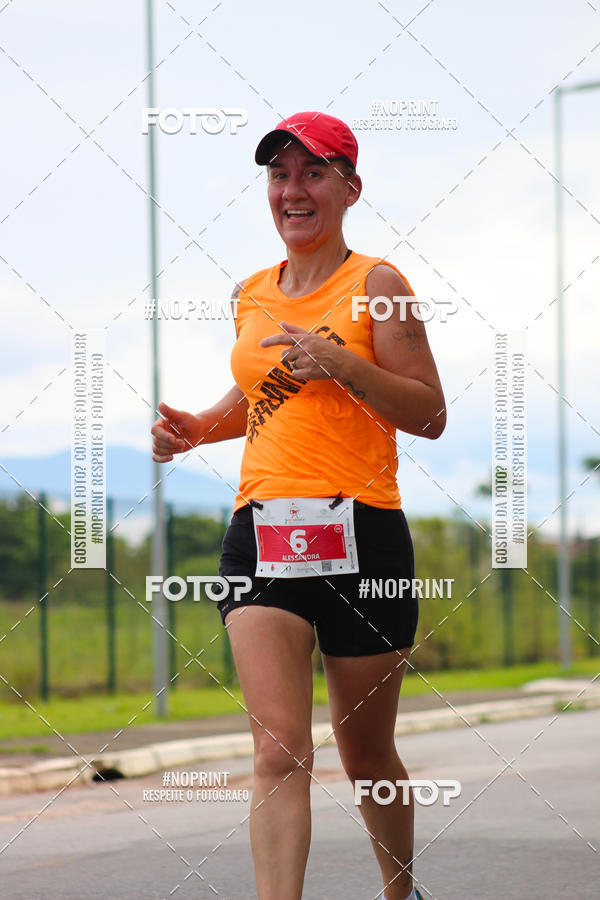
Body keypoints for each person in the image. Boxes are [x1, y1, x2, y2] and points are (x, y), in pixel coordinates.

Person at [151, 111, 446, 900]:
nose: (294, 189)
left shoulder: (379, 286)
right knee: (279, 749)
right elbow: (259, 401)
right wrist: (194, 431)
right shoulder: (250, 294)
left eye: (313, 172)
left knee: (365, 755)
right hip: (263, 533)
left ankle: (398, 889)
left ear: (349, 187)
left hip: (362, 532)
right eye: (280, 175)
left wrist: (342, 364)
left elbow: (428, 413)